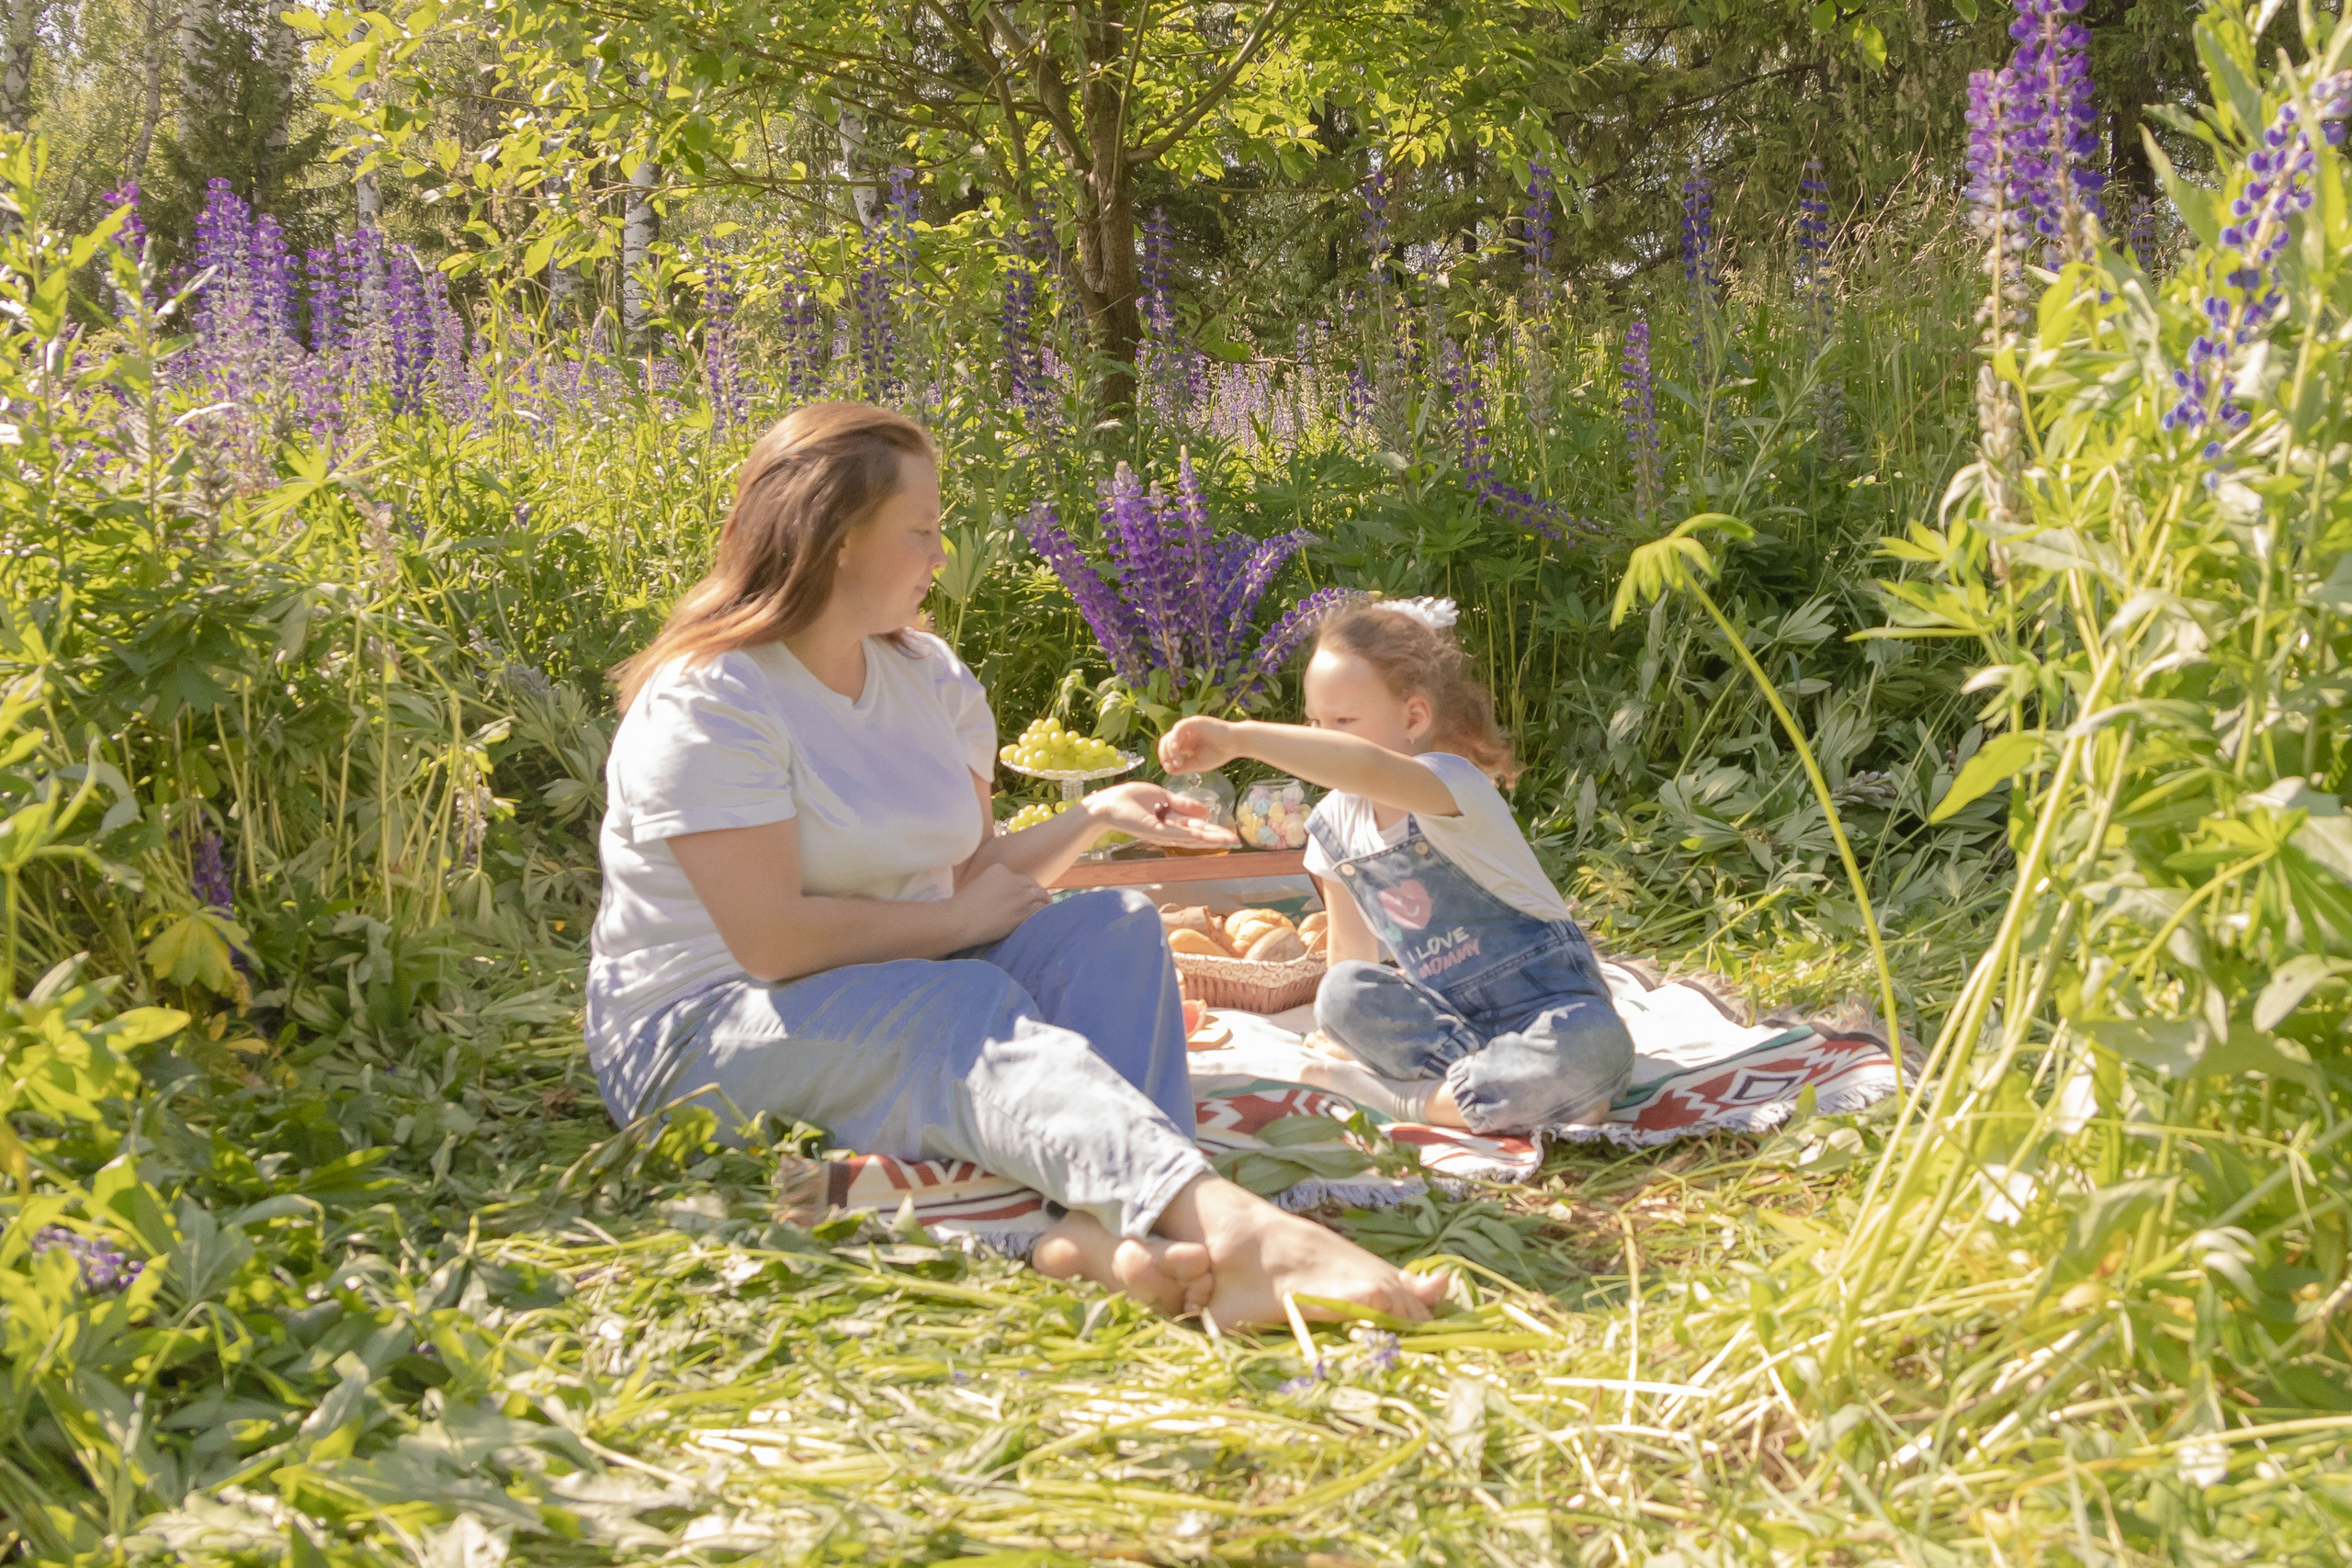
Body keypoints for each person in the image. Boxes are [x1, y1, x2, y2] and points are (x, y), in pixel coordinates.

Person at [586, 400, 1447, 1327]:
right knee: (961, 1007)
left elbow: (956, 875)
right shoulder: (713, 700)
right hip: (701, 1030)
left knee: (1108, 932)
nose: (940, 554)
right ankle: (1228, 1230)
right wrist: (956, 930)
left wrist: (1099, 814)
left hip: (885, 972)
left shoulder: (927, 678)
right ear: (836, 537)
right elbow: (773, 941)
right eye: (920, 529)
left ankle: (1099, 1225)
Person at [1158, 595, 1634, 1134]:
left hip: (1549, 1007)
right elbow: (1348, 957)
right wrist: (1343, 1029)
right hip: (1449, 1026)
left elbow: (1363, 765)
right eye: (1315, 722)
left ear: (1413, 718)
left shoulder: (1450, 784)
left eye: (1342, 721)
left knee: (1596, 1044)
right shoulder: (1333, 826)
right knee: (1340, 995)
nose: (1319, 739)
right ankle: (1510, 1092)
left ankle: (1401, 1098)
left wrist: (1240, 737)